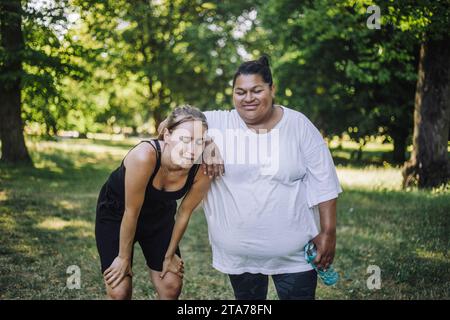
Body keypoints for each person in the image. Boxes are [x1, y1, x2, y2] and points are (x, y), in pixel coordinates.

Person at [200, 56, 343, 300]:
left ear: (272, 89)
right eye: (240, 92)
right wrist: (205, 141)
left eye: (257, 90)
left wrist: (328, 232)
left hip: (294, 257)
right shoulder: (217, 123)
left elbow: (324, 180)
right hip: (240, 256)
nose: (248, 98)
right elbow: (169, 126)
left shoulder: (298, 125)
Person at [95, 105, 211, 300]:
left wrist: (170, 254)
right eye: (185, 139)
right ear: (167, 135)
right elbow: (131, 212)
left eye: (199, 142)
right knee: (119, 291)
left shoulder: (201, 170)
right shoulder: (144, 156)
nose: (193, 150)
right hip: (117, 213)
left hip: (159, 216)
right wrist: (123, 258)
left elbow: (184, 213)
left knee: (171, 286)